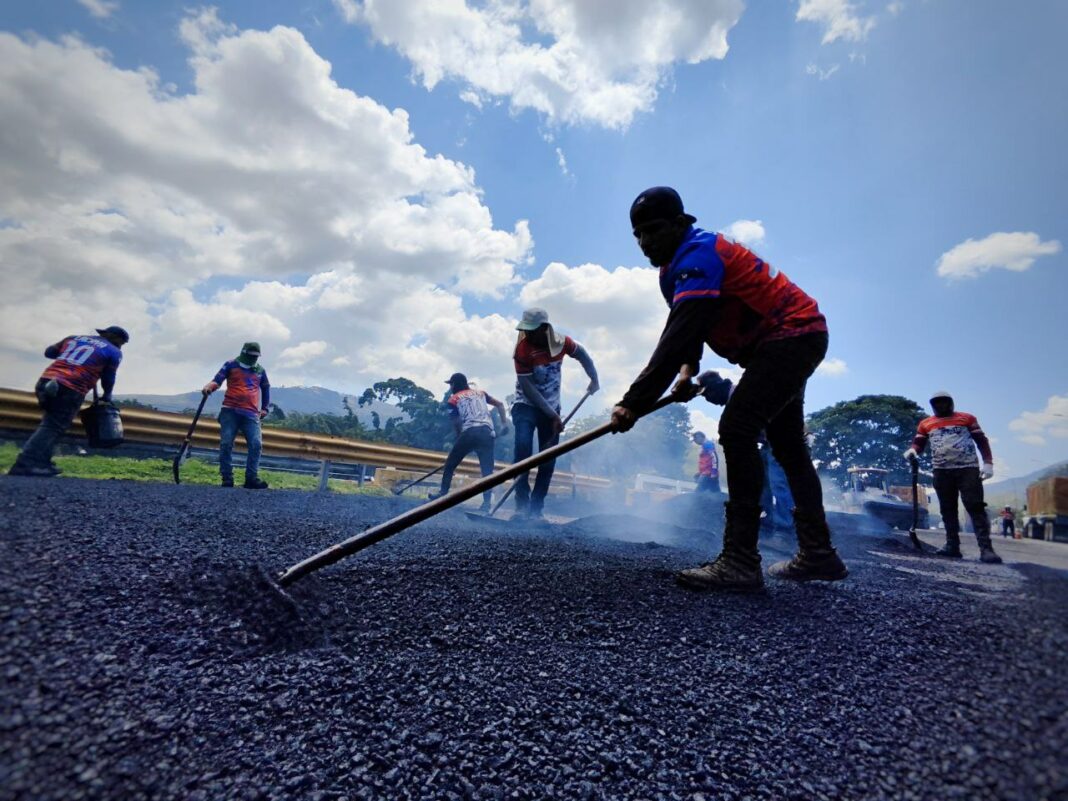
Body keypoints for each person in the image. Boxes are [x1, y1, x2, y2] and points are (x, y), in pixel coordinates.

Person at [610, 186, 846, 592]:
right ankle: (819, 554)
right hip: (789, 339)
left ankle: (740, 560)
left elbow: (673, 340)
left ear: (680, 224)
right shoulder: (675, 269)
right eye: (638, 236)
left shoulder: (698, 253)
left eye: (654, 230)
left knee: (738, 429)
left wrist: (632, 403)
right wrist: (687, 373)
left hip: (790, 335)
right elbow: (691, 331)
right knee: (787, 444)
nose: (646, 243)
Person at [511, 308, 599, 520]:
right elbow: (528, 387)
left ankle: (536, 510)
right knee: (523, 449)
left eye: (533, 330)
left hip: (551, 409)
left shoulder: (562, 343)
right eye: (526, 330)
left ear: (544, 329)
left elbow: (583, 355)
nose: (529, 334)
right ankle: (521, 506)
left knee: (548, 457)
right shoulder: (522, 350)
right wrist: (552, 415)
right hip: (526, 404)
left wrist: (594, 378)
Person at [8, 326, 129, 477]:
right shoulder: (114, 351)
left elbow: (49, 352)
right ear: (115, 338)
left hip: (46, 381)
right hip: (71, 387)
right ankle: (25, 464)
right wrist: (107, 396)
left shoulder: (73, 338)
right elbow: (108, 377)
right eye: (121, 342)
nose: (120, 345)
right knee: (53, 426)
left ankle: (42, 463)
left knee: (51, 423)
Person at [904, 391, 1001, 563]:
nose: (941, 406)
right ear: (932, 405)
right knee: (947, 509)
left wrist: (988, 463)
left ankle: (986, 549)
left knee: (975, 507)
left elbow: (981, 440)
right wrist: (913, 450)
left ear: (951, 403)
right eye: (937, 403)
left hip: (968, 469)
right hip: (941, 470)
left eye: (944, 402)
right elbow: (919, 442)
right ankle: (952, 546)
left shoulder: (967, 418)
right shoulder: (926, 423)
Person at [428, 373, 510, 512]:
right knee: (487, 472)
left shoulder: (453, 400)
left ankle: (442, 494)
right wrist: (503, 424)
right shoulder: (481, 393)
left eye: (451, 384)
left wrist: (462, 439)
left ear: (455, 384)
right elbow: (500, 404)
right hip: (486, 433)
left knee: (450, 465)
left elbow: (457, 423)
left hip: (469, 432)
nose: (451, 387)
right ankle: (486, 504)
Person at [203, 342, 271, 489]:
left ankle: (251, 478)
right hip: (230, 410)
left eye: (256, 356)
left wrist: (265, 408)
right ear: (244, 352)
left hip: (251, 414)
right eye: (251, 355)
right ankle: (227, 477)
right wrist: (210, 387)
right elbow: (218, 380)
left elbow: (265, 388)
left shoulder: (260, 370)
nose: (253, 359)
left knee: (256, 444)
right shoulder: (231, 364)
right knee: (226, 443)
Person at [759, 435, 795, 535]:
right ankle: (765, 521)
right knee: (763, 485)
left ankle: (785, 530)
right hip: (766, 445)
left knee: (779, 484)